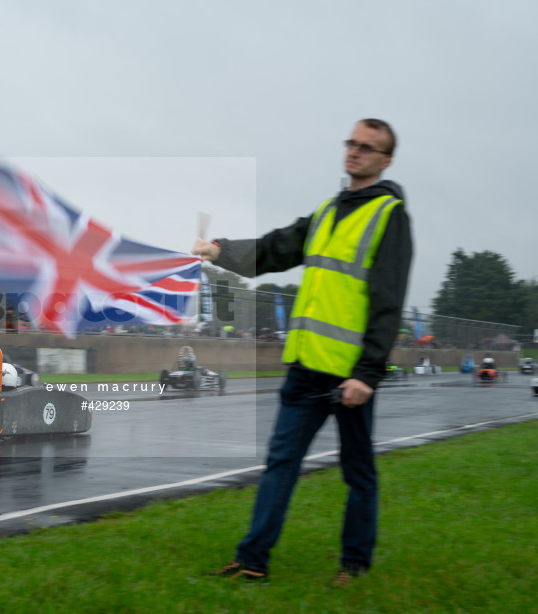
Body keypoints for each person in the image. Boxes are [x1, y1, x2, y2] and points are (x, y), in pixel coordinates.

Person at [193, 119, 413, 586]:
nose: (355, 152)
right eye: (351, 143)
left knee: (358, 472)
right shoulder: (328, 211)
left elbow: (388, 303)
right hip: (304, 369)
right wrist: (219, 250)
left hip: (348, 377)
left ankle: (353, 564)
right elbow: (274, 249)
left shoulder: (388, 215)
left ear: (385, 160)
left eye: (368, 148)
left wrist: (368, 374)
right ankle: (253, 561)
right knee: (280, 464)